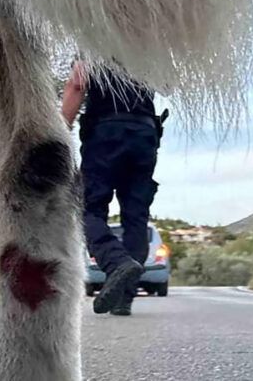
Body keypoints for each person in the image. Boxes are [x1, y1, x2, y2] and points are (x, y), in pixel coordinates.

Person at [62, 60, 166, 316]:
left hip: (105, 133)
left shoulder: (93, 41)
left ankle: (116, 262)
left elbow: (77, 84)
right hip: (144, 135)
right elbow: (166, 83)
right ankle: (124, 298)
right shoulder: (146, 47)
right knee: (136, 218)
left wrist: (60, 129)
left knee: (88, 209)